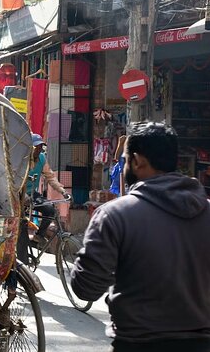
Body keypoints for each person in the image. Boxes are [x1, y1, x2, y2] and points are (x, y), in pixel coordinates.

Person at [71, 121, 210, 352]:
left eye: (125, 160)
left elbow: (86, 287)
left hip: (137, 343)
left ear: (136, 161)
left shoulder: (114, 216)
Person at [27, 133, 70, 243]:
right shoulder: (24, 159)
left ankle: (40, 235)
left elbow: (50, 176)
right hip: (21, 194)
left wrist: (63, 191)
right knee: (21, 224)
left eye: (40, 146)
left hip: (33, 194)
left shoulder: (42, 158)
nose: (39, 149)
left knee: (50, 209)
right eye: (36, 146)